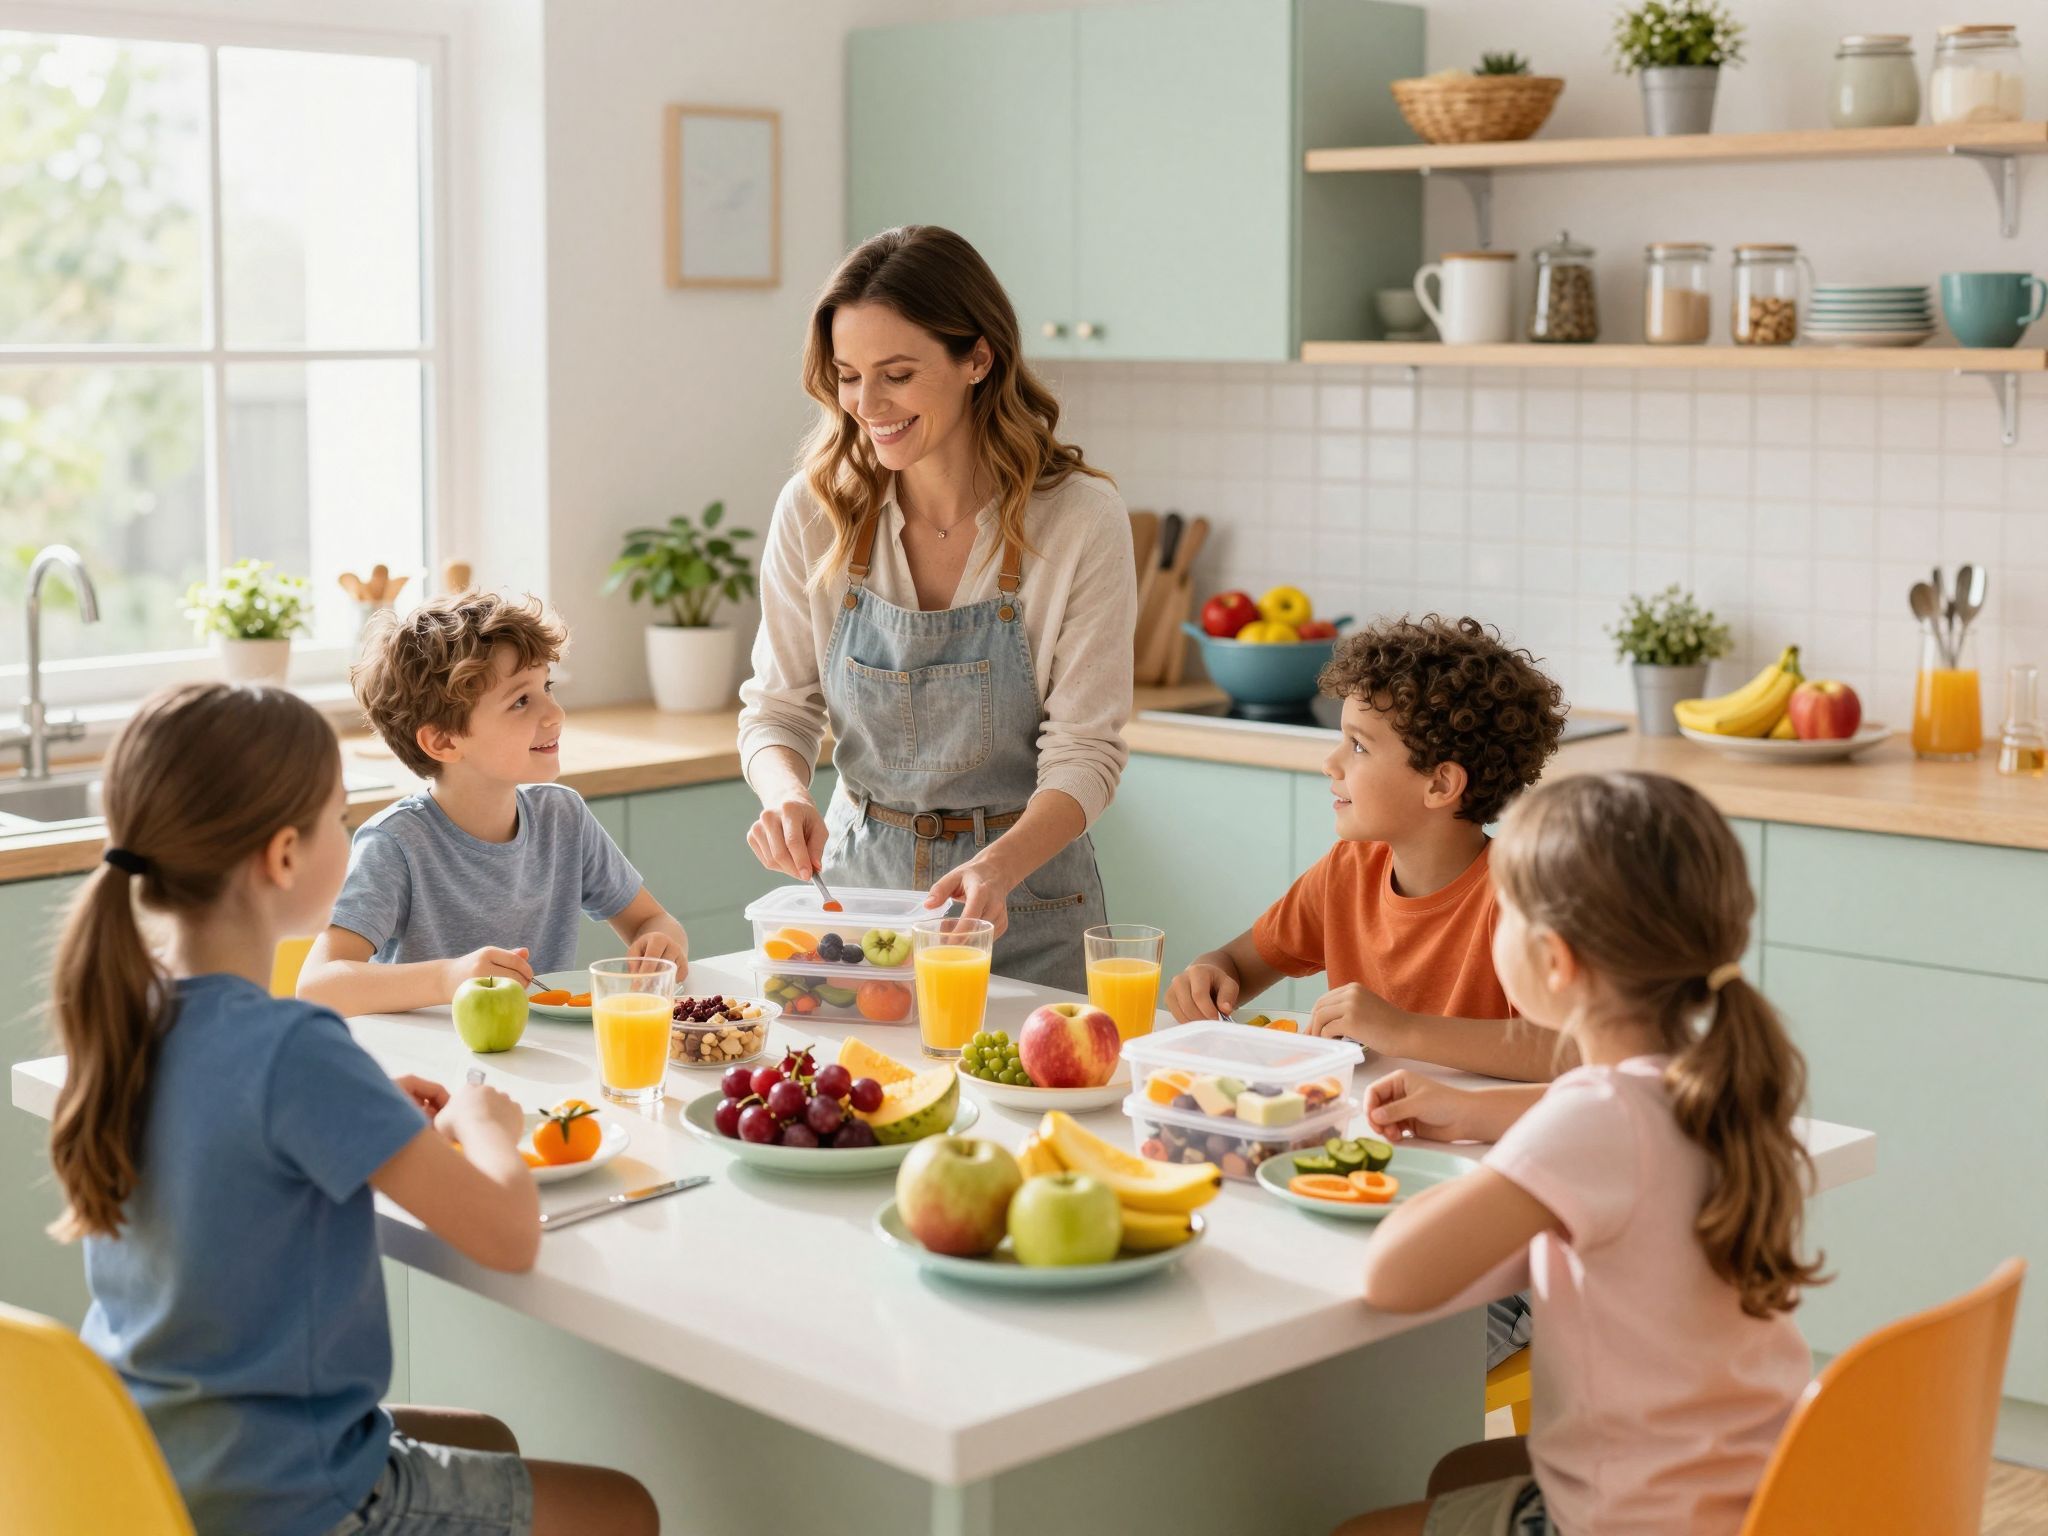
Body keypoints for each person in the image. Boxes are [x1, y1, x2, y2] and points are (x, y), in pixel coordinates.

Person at [45, 682, 657, 1536]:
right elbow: (508, 1237)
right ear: (285, 857)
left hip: (143, 1460)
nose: (352, 834)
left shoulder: (125, 1020)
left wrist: (367, 1111)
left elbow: (246, 1139)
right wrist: (486, 1129)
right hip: (284, 1498)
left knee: (489, 1439)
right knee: (624, 1511)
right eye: (338, 817)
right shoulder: (295, 1049)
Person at [1336, 771, 1824, 1536]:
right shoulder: (1714, 1089)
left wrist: (1466, 1182)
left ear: (1555, 962)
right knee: (1458, 1469)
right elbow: (1618, 1133)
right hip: (1755, 1494)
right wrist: (1479, 1114)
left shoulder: (1592, 1121)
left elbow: (1390, 1276)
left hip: (1628, 1519)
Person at [738, 225, 1135, 990]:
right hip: (859, 902)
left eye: (897, 373)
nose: (867, 404)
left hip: (1029, 900)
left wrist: (999, 866)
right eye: (849, 375)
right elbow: (777, 710)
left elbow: (1087, 751)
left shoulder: (1080, 518)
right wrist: (786, 795)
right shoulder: (818, 511)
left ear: (977, 358)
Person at [1165, 615, 1567, 1083]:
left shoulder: (1519, 897)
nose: (1330, 763)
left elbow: (1570, 1050)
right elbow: (1233, 963)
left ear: (1439, 783)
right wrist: (1207, 973)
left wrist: (1404, 1031)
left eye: (1357, 746)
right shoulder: (1347, 872)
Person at [298, 592, 687, 1016]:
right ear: (444, 741)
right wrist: (449, 978)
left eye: (547, 687)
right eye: (521, 700)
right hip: (432, 1066)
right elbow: (317, 986)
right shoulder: (396, 843)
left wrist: (663, 944)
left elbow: (653, 921)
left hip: (541, 1053)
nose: (554, 713)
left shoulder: (563, 817)